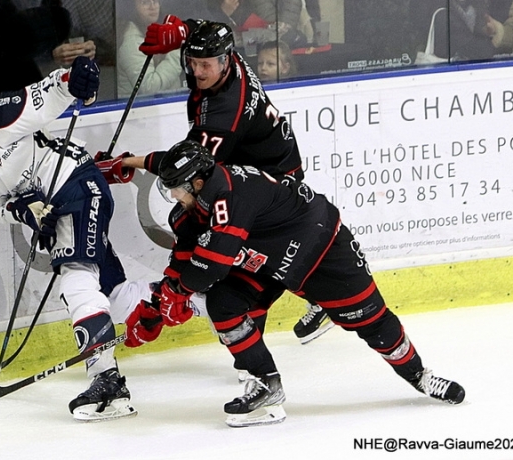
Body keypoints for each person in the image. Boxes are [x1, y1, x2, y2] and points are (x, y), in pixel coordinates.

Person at [124, 139, 466, 427]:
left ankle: (419, 376)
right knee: (224, 304)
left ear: (197, 183)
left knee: (372, 321)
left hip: (320, 250)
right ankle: (266, 385)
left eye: (175, 189)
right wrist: (158, 305)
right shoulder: (197, 202)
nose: (173, 196)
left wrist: (179, 293)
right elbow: (185, 256)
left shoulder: (230, 196)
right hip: (269, 261)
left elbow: (211, 265)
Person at [0, 57, 151, 421]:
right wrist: (23, 210)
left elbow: (52, 89)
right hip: (55, 208)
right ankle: (203, 299)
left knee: (76, 278)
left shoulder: (4, 113)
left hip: (76, 182)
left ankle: (107, 382)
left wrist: (75, 77)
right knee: (114, 294)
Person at [95, 18, 333, 344]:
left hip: (273, 177)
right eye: (192, 62)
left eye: (205, 65)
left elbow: (187, 164)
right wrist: (179, 30)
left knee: (252, 245)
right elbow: (204, 28)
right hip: (256, 163)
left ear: (224, 60)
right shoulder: (225, 56)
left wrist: (126, 163)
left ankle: (309, 298)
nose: (197, 71)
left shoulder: (225, 111)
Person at [116, 0, 183, 97]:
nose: (153, 6)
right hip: (138, 106)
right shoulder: (132, 42)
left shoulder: (157, 30)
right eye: (145, 2)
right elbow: (149, 87)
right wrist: (178, 52)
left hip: (166, 103)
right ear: (133, 8)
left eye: (155, 1)